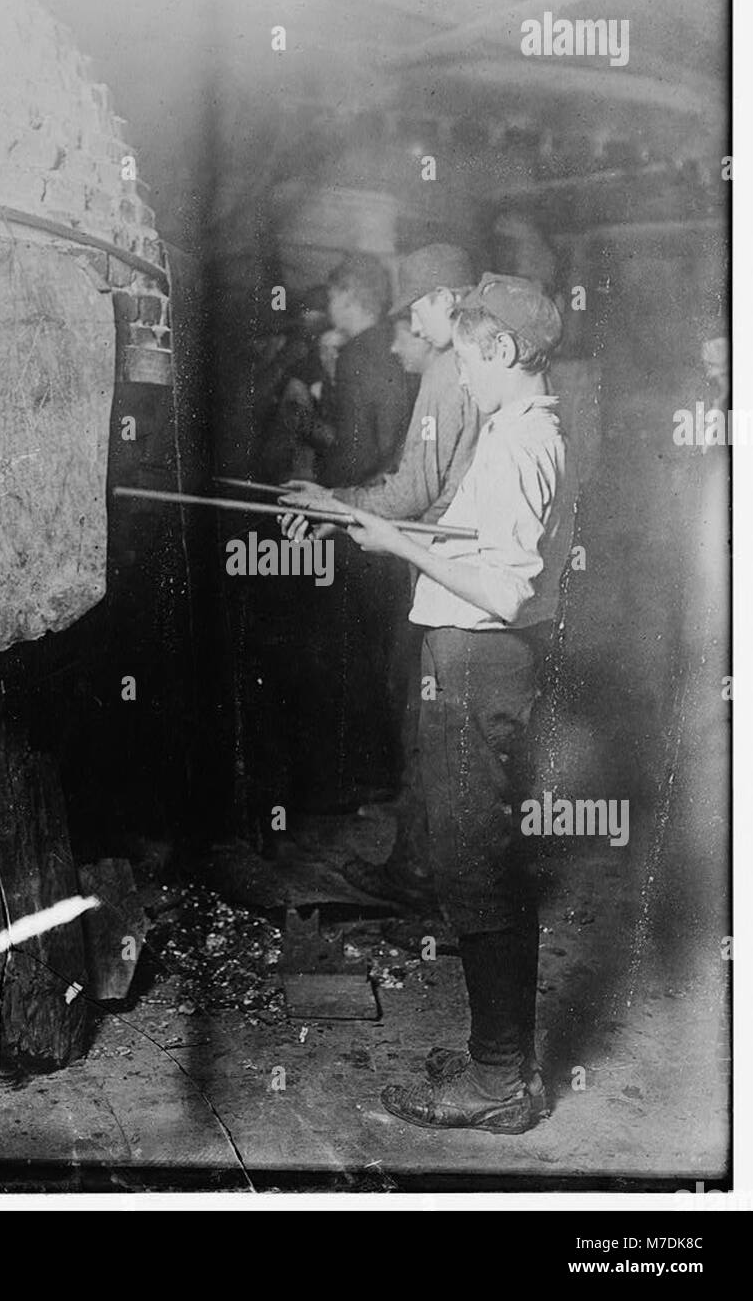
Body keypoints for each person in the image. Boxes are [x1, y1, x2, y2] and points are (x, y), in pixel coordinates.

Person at [291, 274, 577, 1133]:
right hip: (474, 657)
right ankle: (502, 1061)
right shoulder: (516, 428)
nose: (458, 371)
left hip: (481, 659)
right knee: (473, 852)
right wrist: (375, 528)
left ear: (499, 350)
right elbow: (476, 541)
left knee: (473, 861)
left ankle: (499, 1080)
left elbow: (502, 585)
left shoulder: (524, 441)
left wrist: (387, 540)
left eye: (463, 354)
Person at [282, 243, 481, 893]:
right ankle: (426, 869)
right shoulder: (477, 366)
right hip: (461, 568)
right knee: (437, 723)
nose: (410, 331)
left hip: (448, 568)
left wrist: (335, 503)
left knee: (429, 720)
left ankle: (427, 879)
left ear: (447, 300)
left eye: (417, 310)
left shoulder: (450, 370)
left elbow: (413, 485)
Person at [315, 254, 415, 487]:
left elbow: (356, 450)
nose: (329, 307)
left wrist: (325, 492)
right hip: (394, 478)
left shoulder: (353, 355)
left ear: (348, 297)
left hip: (363, 489)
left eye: (332, 298)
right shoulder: (395, 341)